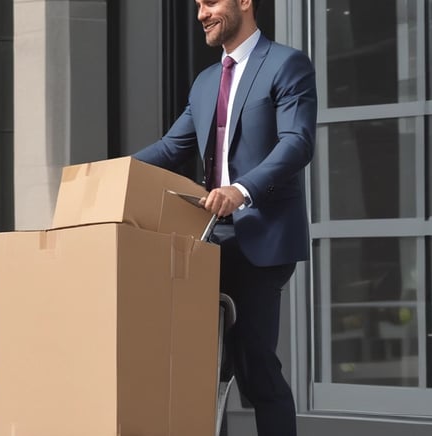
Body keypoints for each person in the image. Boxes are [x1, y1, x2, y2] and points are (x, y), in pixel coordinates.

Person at [133, 0, 316, 434]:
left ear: (245, 3)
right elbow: (170, 149)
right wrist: (107, 175)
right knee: (202, 370)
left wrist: (242, 189)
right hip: (207, 241)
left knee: (255, 368)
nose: (201, 14)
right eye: (198, 5)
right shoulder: (205, 82)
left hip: (261, 237)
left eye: (211, 2)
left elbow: (297, 142)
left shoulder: (286, 65)